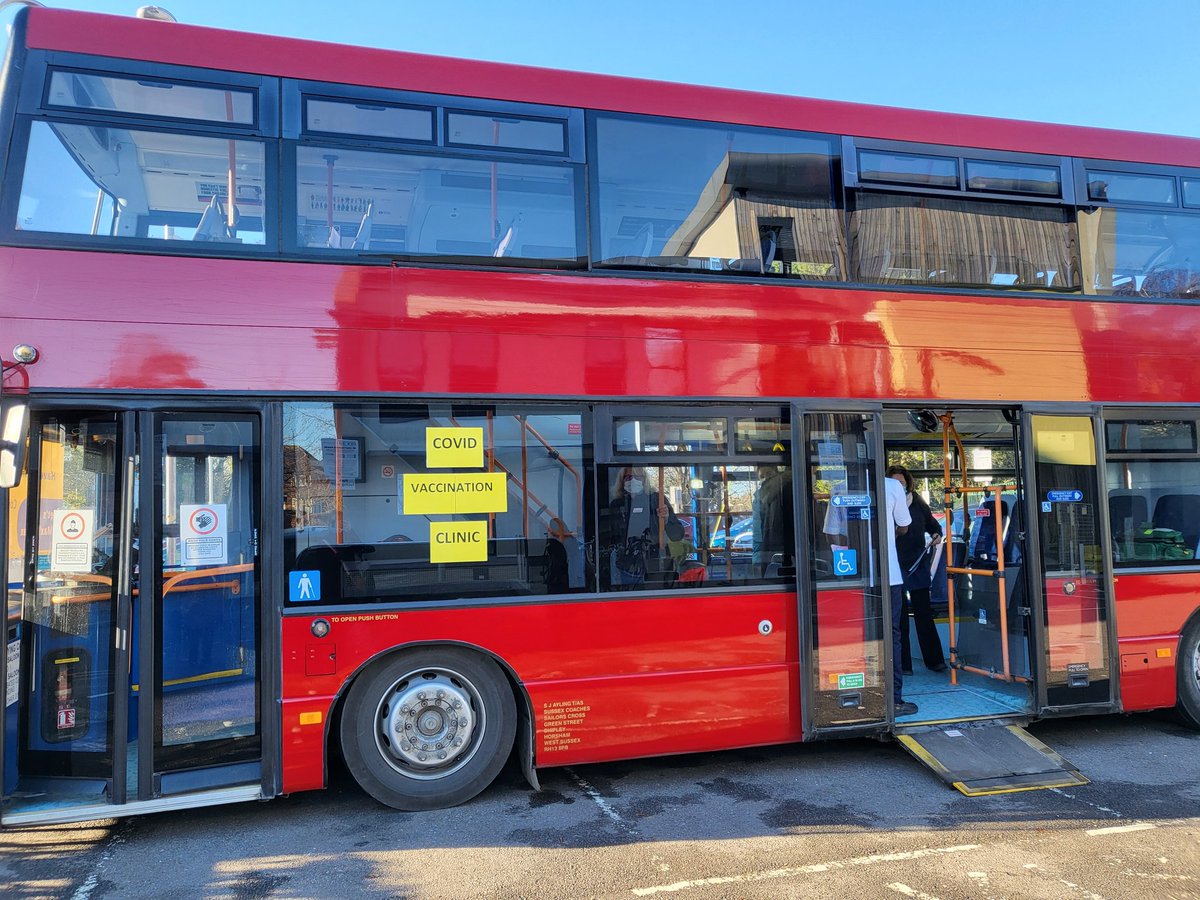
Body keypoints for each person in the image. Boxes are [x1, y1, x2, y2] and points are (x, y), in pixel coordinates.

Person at [887, 465, 948, 675]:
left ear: (907, 483)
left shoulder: (918, 502)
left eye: (902, 483)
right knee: (899, 617)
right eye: (895, 483)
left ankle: (935, 661)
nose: (899, 486)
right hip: (895, 564)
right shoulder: (887, 501)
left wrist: (936, 535)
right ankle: (903, 665)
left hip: (918, 563)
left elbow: (933, 525)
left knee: (924, 614)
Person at [884, 472, 916, 717]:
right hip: (890, 576)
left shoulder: (839, 489)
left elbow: (832, 533)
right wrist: (888, 536)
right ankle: (894, 699)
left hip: (854, 575)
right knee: (892, 634)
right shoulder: (893, 486)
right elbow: (904, 526)